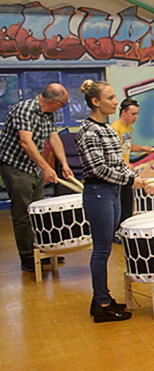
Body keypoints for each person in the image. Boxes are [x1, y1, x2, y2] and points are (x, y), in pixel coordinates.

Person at [75, 80, 149, 323]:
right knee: (102, 250)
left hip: (113, 192)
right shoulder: (87, 131)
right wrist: (130, 182)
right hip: (99, 193)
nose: (116, 102)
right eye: (110, 98)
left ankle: (100, 296)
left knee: (106, 246)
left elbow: (118, 164)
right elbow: (98, 169)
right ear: (96, 102)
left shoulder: (107, 130)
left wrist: (138, 179)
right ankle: (102, 304)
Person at [0, 83, 74, 273]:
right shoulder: (25, 110)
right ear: (54, 101)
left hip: (33, 166)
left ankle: (43, 252)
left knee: (38, 211)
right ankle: (27, 257)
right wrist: (46, 167)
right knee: (23, 213)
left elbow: (54, 137)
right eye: (63, 104)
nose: (62, 108)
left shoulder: (48, 113)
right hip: (15, 167)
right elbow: (26, 142)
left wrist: (64, 164)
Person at [111, 98, 152, 228]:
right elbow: (113, 152)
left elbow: (126, 147)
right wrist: (125, 164)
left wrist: (142, 149)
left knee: (128, 202)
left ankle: (125, 229)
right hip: (117, 172)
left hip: (125, 171)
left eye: (137, 114)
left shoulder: (128, 128)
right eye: (133, 114)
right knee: (121, 203)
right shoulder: (114, 129)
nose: (136, 117)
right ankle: (117, 231)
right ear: (124, 112)